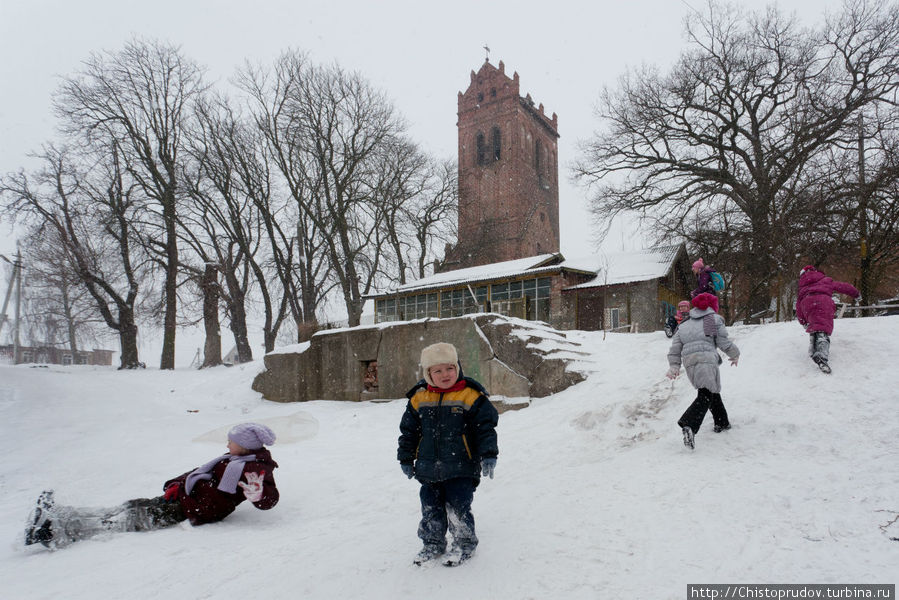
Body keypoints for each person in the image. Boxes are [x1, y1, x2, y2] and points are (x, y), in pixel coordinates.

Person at [24, 423, 279, 549]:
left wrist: (259, 495)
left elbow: (269, 500)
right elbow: (199, 473)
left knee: (133, 517)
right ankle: (63, 513)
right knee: (132, 506)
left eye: (231, 442)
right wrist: (177, 484)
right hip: (183, 499)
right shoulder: (232, 459)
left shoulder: (253, 469)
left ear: (245, 446)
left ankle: (52, 530)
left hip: (193, 511)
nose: (226, 445)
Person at [397, 342, 499, 566]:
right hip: (428, 467)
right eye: (438, 370)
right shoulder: (419, 398)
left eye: (449, 368)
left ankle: (464, 544)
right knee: (430, 508)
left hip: (461, 466)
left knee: (458, 506)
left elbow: (485, 428)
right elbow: (409, 432)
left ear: (458, 367)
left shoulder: (470, 395)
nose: (445, 374)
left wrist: (488, 454)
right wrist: (405, 458)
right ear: (428, 373)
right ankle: (432, 543)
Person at [666, 293, 740, 450]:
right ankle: (689, 423)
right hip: (706, 358)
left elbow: (675, 348)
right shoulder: (710, 319)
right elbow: (722, 341)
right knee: (705, 393)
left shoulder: (685, 324)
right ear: (712, 306)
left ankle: (722, 422)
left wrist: (674, 366)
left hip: (689, 362)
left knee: (711, 390)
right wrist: (735, 354)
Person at [796, 265, 860, 374]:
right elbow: (843, 286)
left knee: (814, 326)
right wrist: (856, 294)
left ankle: (812, 348)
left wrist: (803, 321)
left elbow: (798, 305)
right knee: (822, 328)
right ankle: (821, 357)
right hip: (823, 301)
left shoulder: (802, 287)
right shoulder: (825, 280)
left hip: (807, 303)